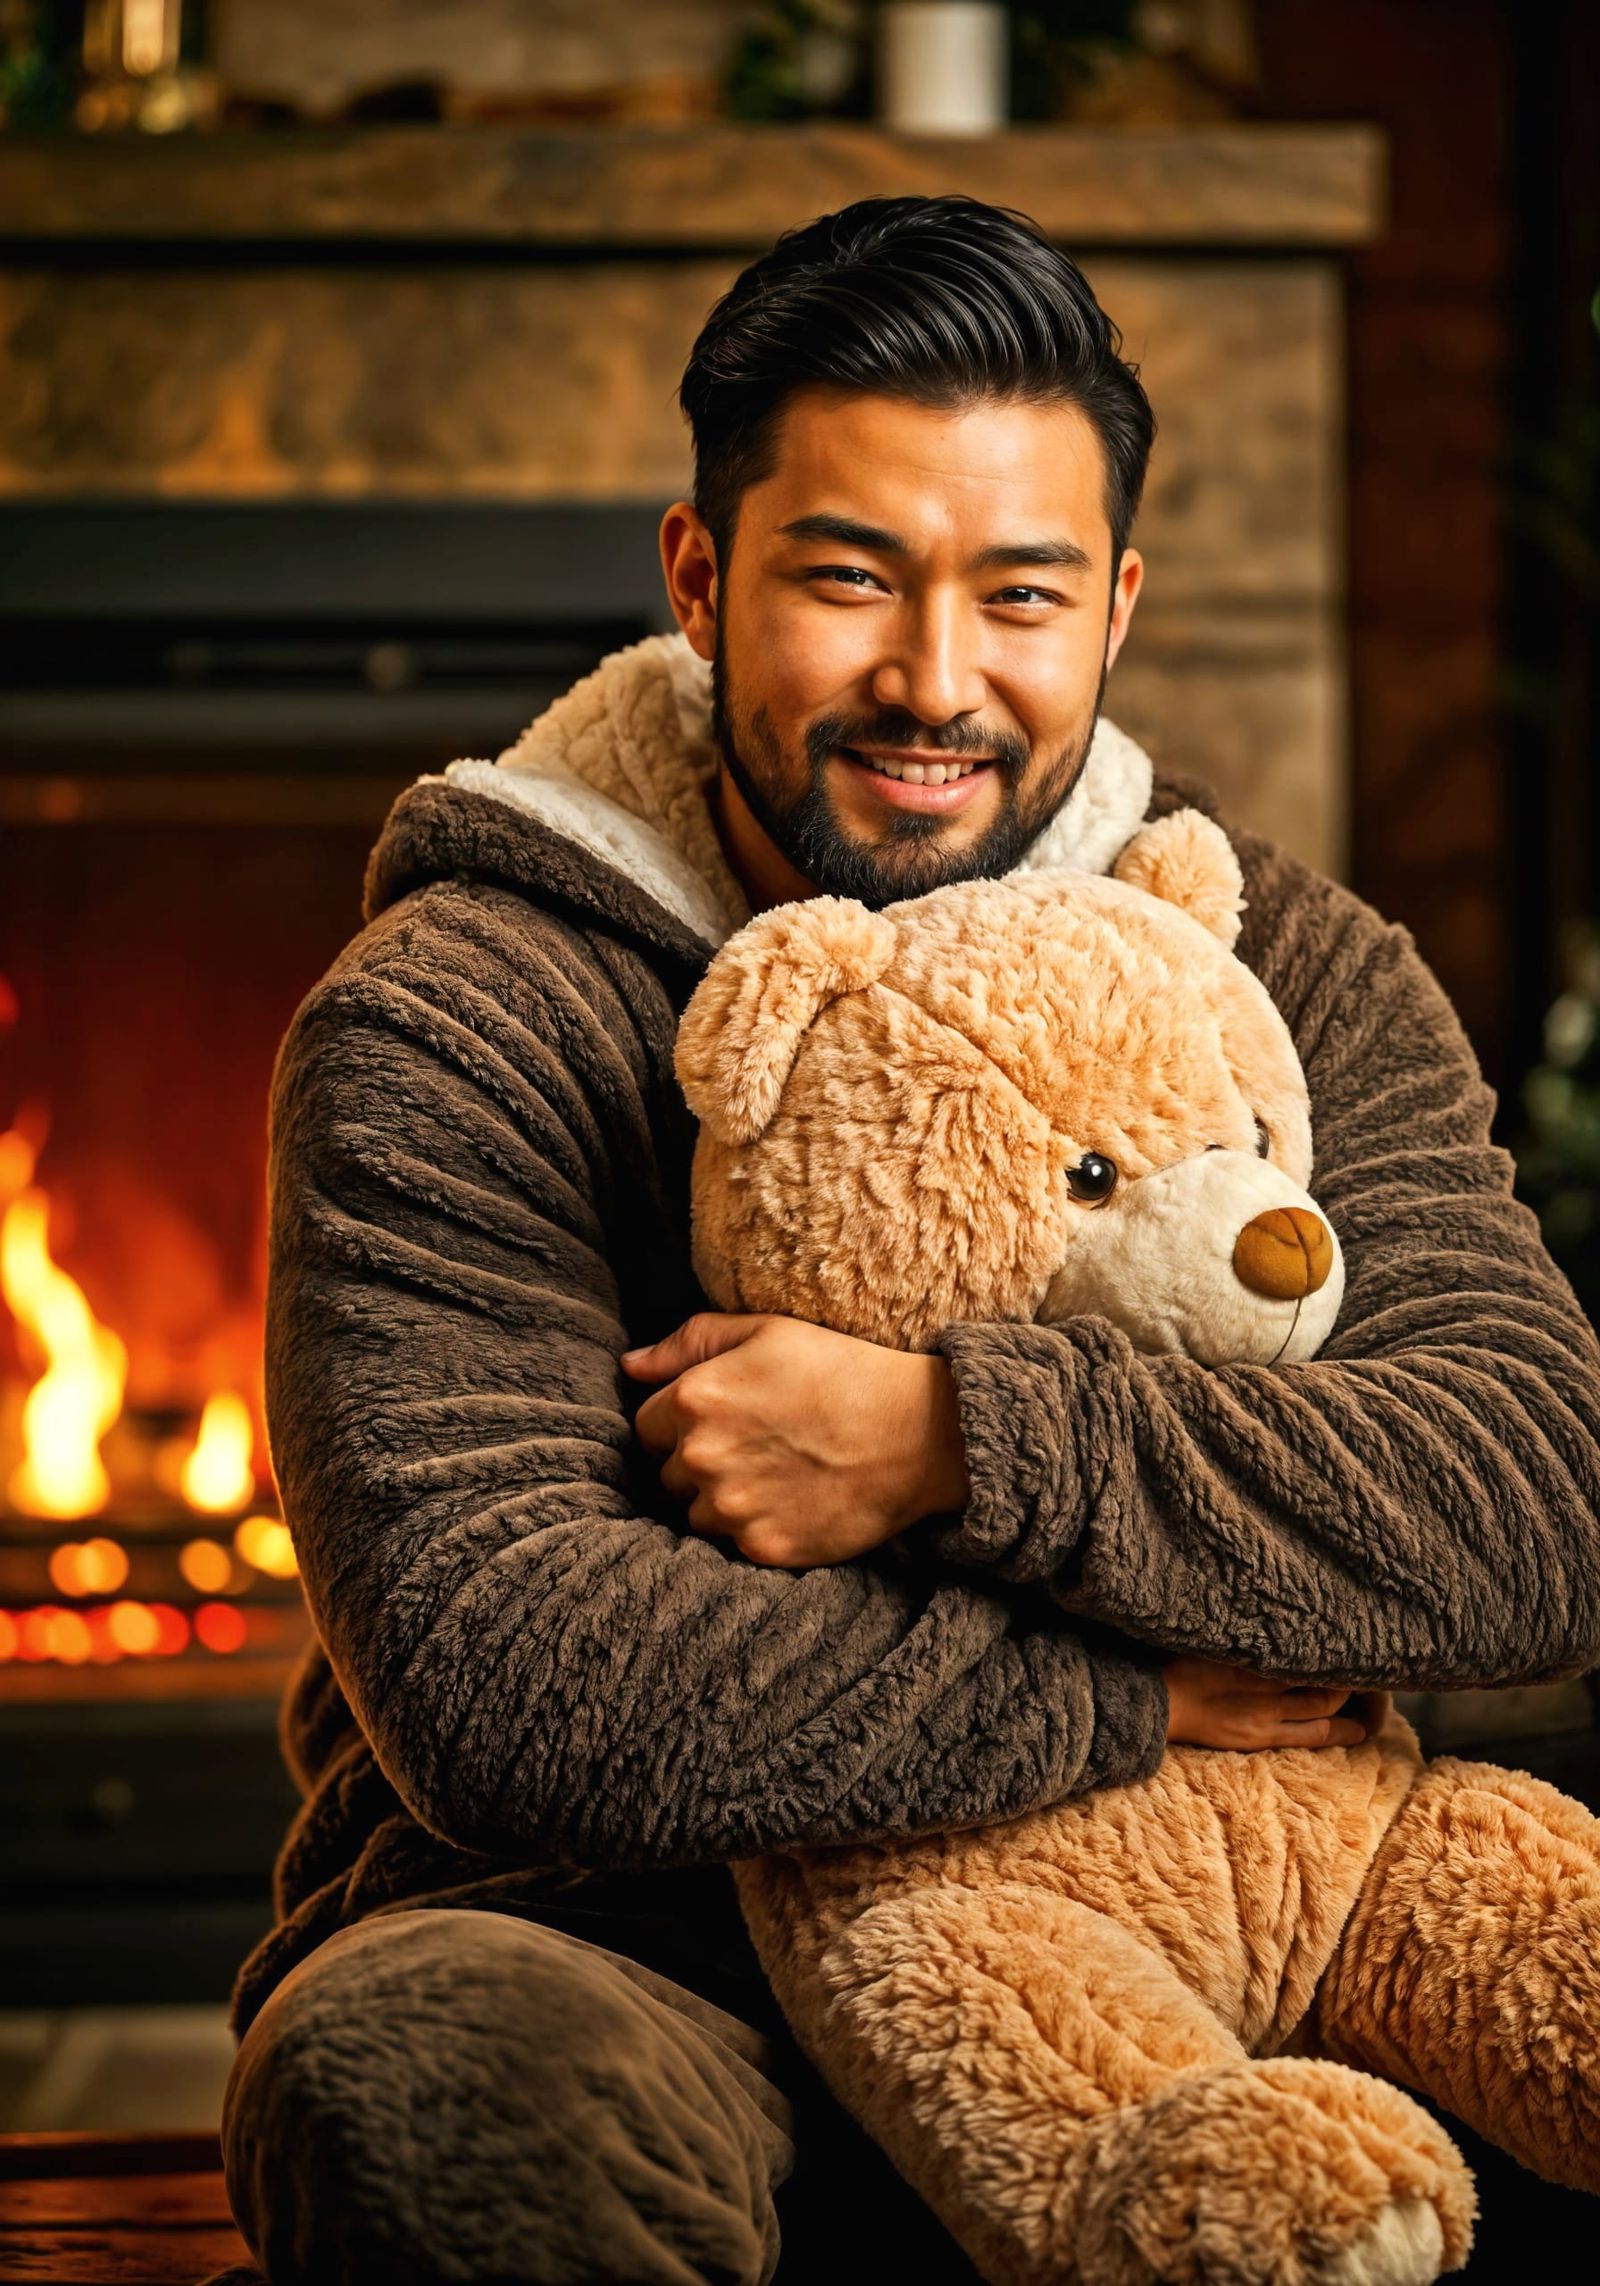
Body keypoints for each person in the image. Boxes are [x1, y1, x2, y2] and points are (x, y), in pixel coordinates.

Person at [216, 196, 1600, 2286]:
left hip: (1237, 1931)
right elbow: (508, 1679)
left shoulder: (1282, 969)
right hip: (643, 1966)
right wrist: (1143, 1700)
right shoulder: (455, 1014)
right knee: (421, 2069)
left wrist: (956, 1439)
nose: (929, 682)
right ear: (701, 578)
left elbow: (1525, 1508)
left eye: (1017, 595)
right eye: (844, 579)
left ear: (1115, 607)